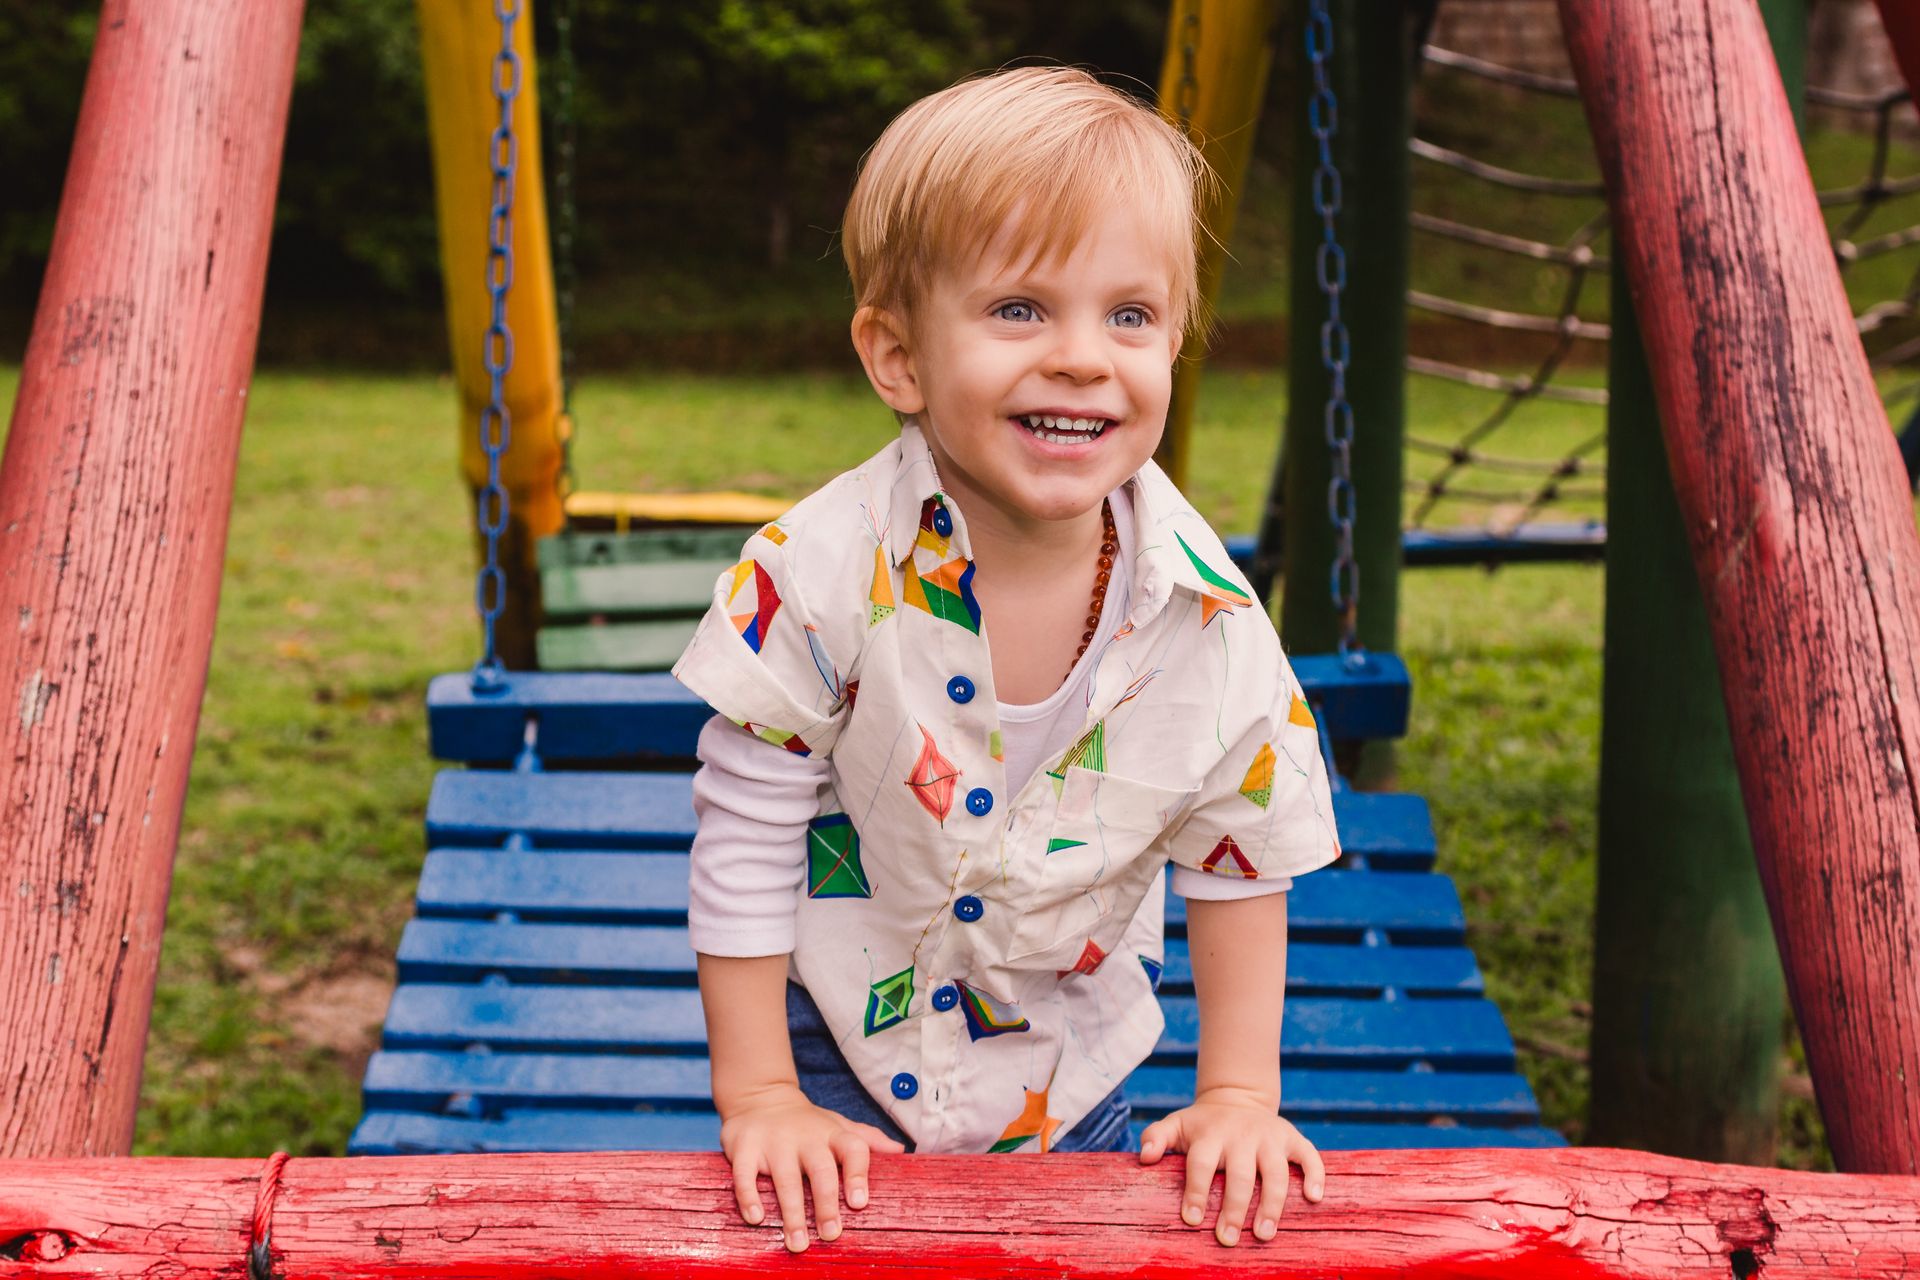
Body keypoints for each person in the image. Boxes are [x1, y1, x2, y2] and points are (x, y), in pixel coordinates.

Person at [671, 65, 1339, 1254]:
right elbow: (749, 823)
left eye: (1129, 315)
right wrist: (761, 1095)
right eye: (1021, 309)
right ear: (898, 357)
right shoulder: (818, 571)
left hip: (1065, 1068)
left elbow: (1244, 844)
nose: (1085, 358)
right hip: (837, 1055)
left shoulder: (1209, 618)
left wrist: (1240, 1093)